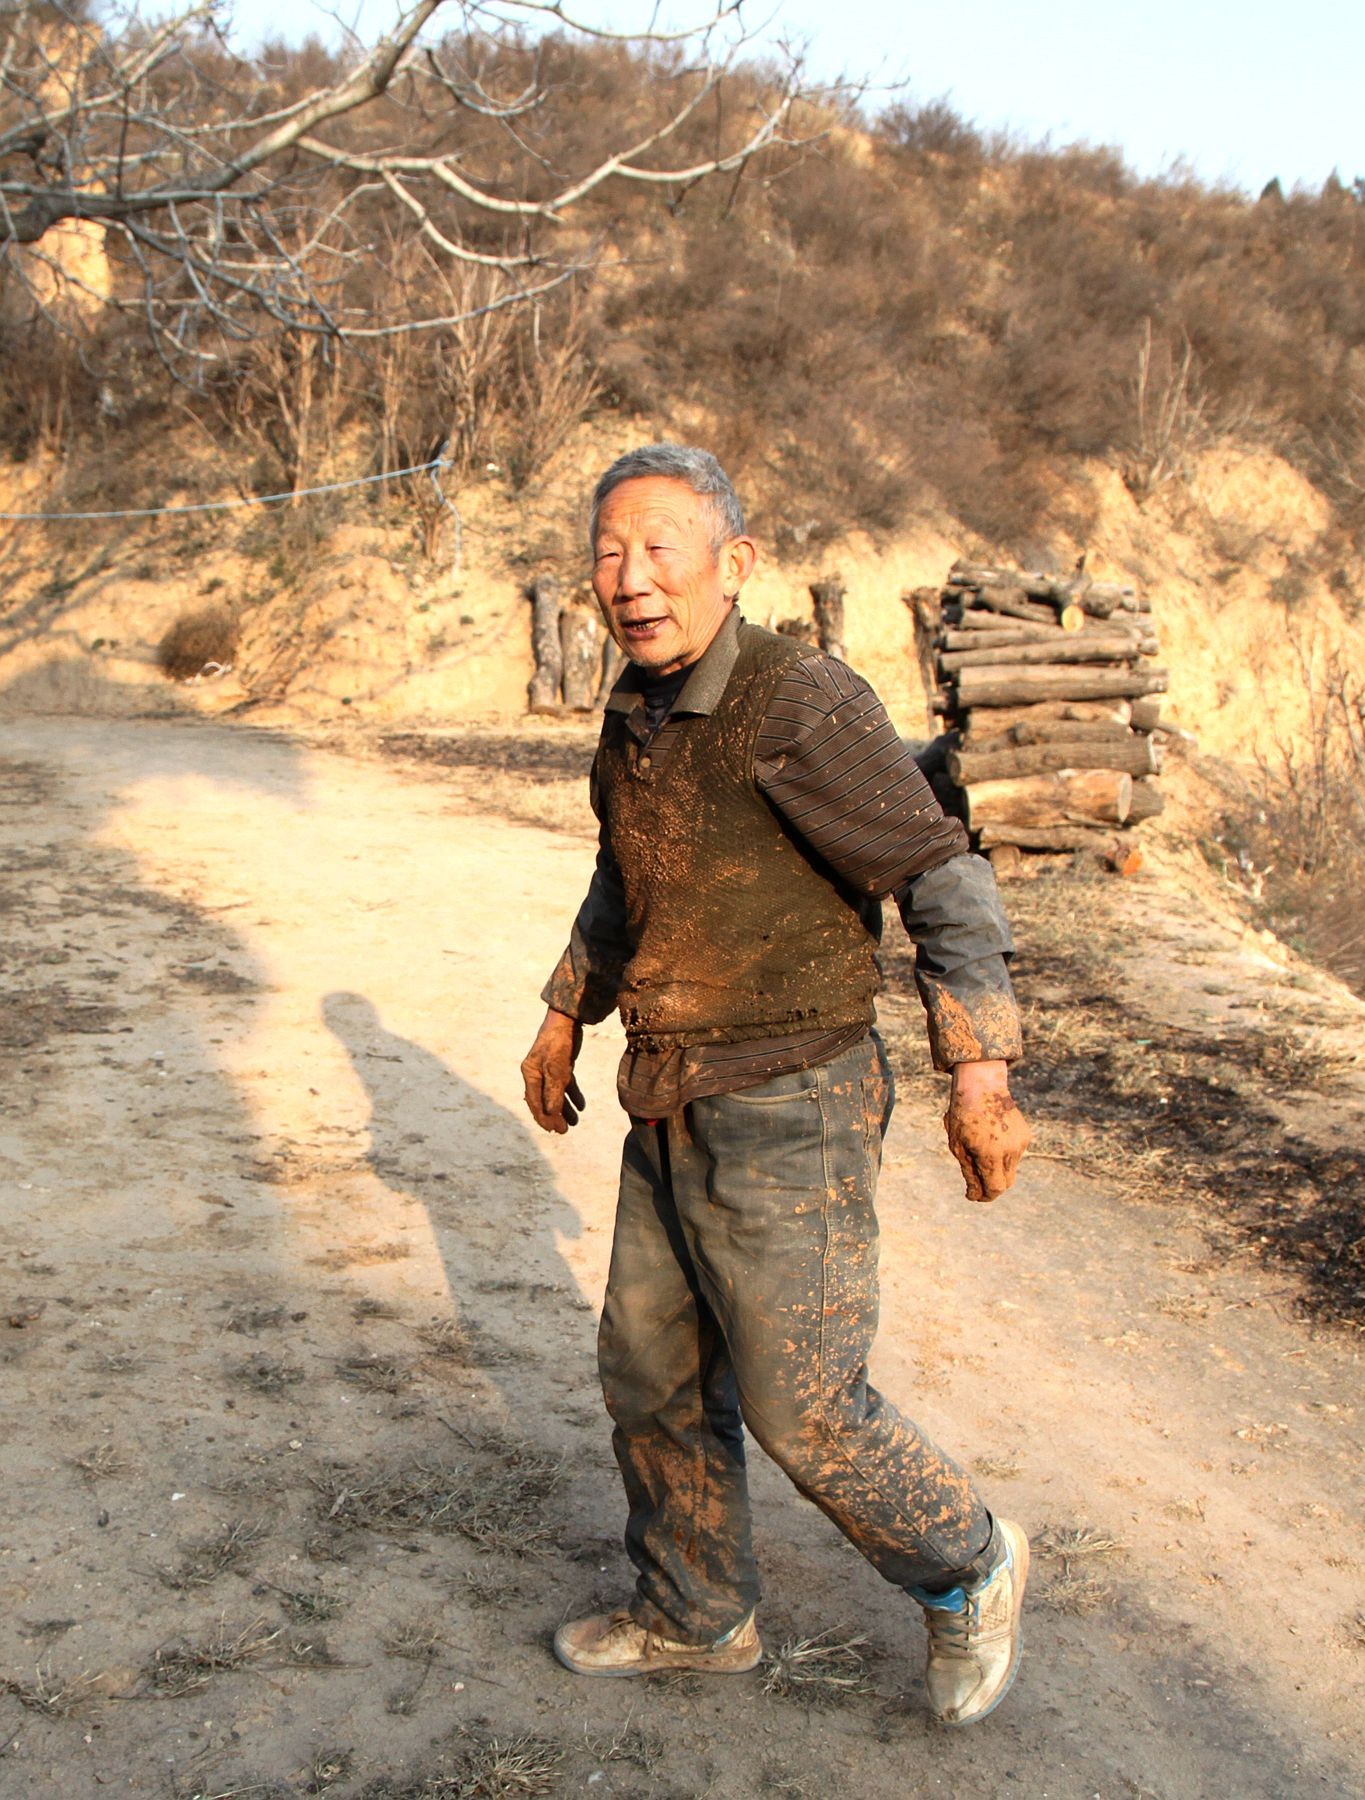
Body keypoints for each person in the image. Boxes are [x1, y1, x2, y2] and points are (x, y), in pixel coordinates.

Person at [519, 444, 1034, 1726]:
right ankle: (695, 1615)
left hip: (791, 1100)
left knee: (806, 1405)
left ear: (734, 565)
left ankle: (969, 1564)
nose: (631, 581)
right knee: (654, 1371)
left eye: (660, 551)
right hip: (669, 1090)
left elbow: (942, 873)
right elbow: (626, 874)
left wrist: (980, 1072)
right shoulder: (635, 710)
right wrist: (564, 1006)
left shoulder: (799, 701)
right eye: (608, 553)